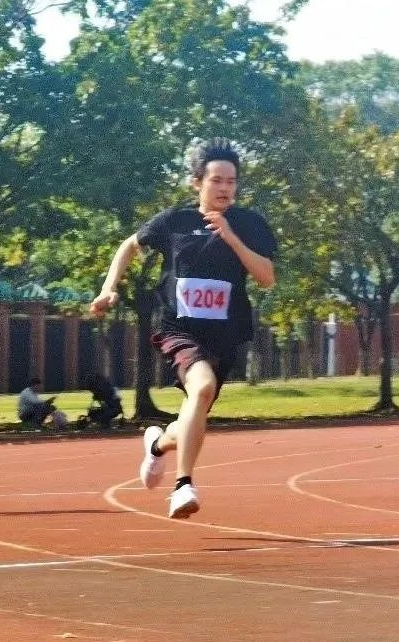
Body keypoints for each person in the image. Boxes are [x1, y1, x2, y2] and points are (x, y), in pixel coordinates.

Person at [90, 138, 277, 519]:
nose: (225, 188)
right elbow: (129, 246)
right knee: (202, 388)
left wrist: (231, 237)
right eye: (216, 180)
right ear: (197, 182)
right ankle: (183, 486)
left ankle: (157, 444)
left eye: (231, 181)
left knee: (195, 410)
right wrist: (109, 288)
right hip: (179, 328)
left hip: (224, 335)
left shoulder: (249, 224)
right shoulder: (175, 222)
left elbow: (266, 278)